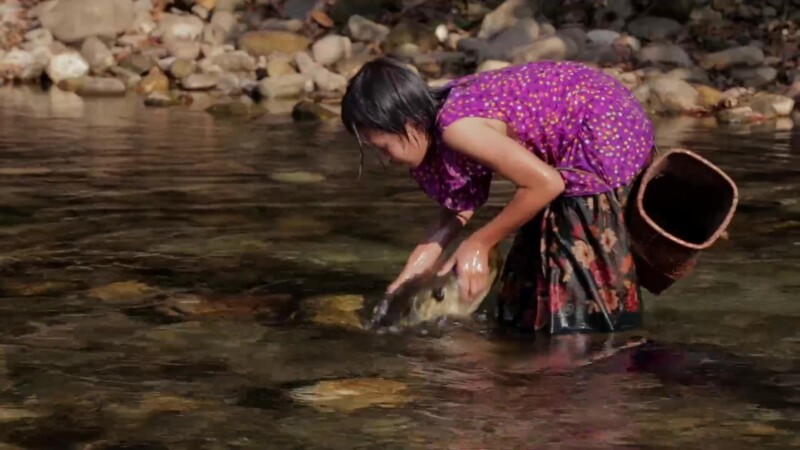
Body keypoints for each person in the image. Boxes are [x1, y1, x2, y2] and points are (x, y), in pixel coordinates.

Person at [340, 57, 655, 335]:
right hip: (585, 125)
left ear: (409, 124)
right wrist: (408, 278)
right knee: (527, 285)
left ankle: (600, 354)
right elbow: (456, 206)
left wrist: (479, 243)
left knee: (573, 305)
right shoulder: (434, 120)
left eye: (384, 148)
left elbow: (546, 185)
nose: (385, 160)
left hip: (604, 128)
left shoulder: (457, 128)